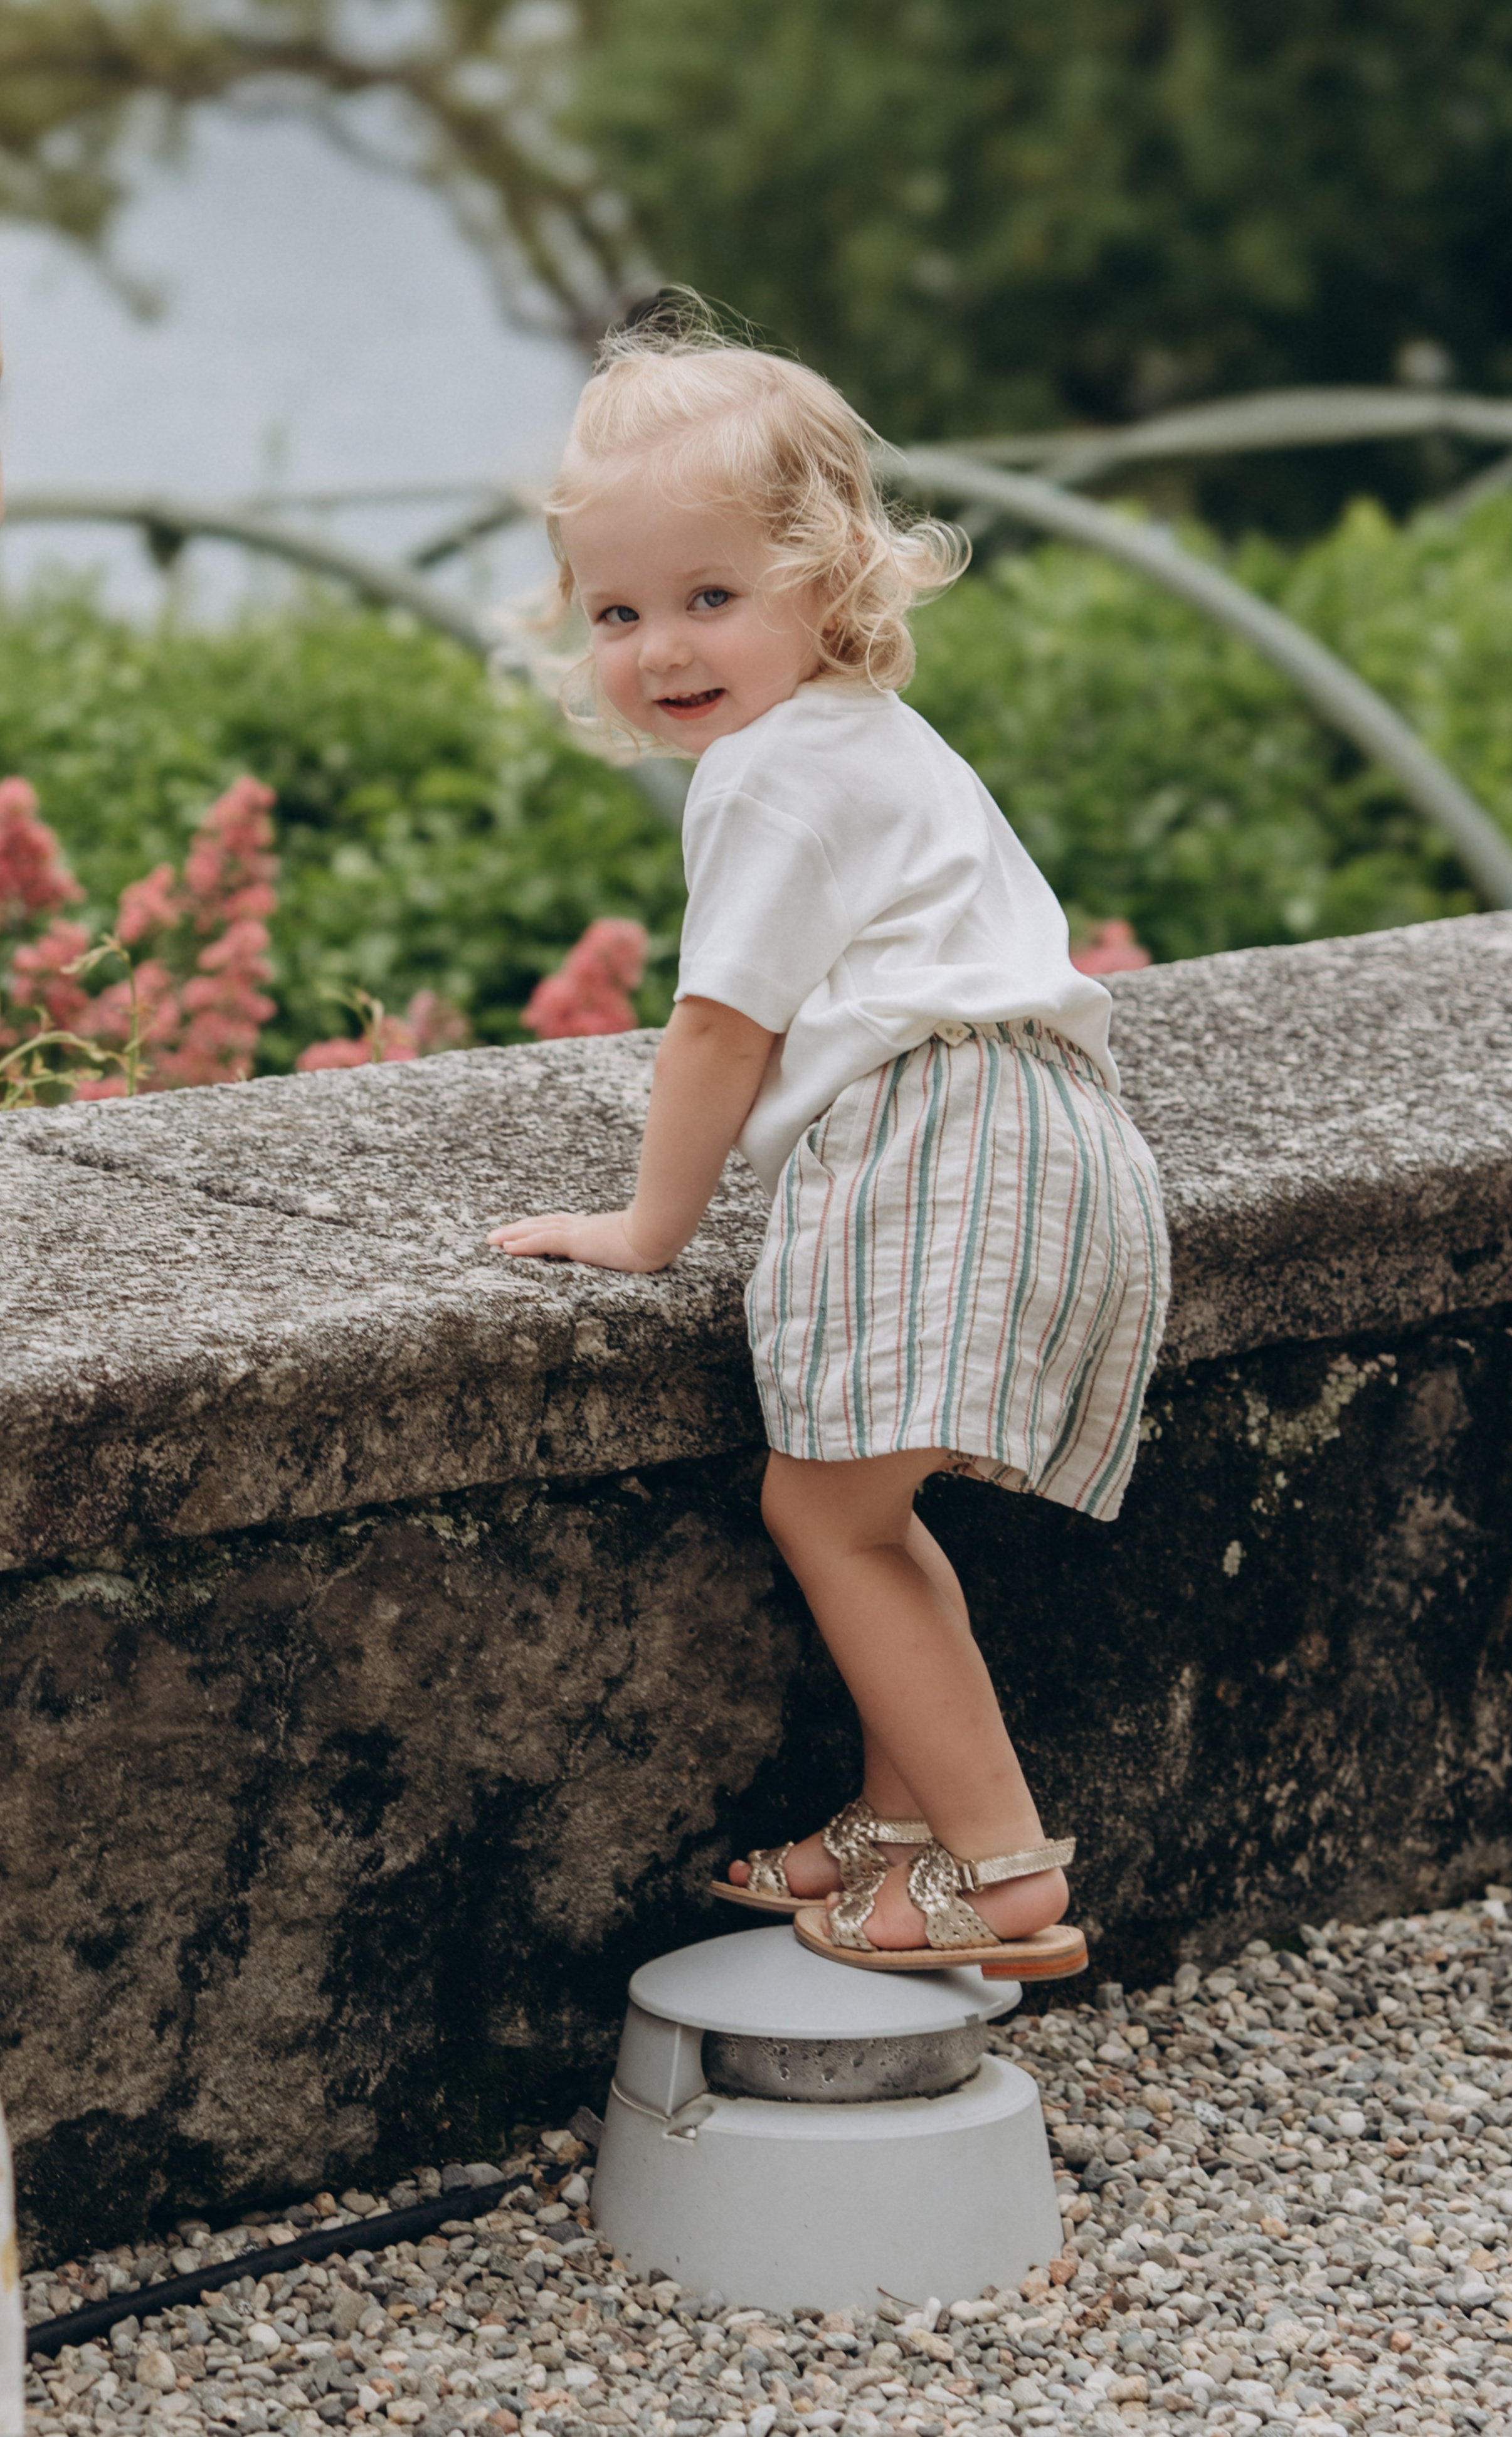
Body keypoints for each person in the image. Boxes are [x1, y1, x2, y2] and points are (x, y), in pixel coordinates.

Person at [489, 310, 1169, 1979]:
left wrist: (649, 1228)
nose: (662, 647)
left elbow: (725, 1023)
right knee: (874, 1504)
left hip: (939, 1142)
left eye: (712, 597)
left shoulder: (772, 779)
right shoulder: (871, 745)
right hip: (1045, 1136)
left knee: (829, 1512)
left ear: (832, 583)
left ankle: (999, 1869)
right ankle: (903, 1823)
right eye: (620, 611)